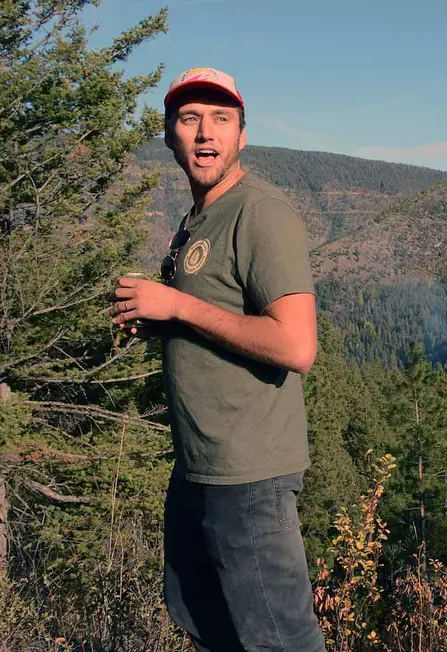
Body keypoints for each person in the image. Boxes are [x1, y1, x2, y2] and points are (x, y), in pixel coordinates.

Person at [108, 67, 326, 652]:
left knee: (279, 639)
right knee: (201, 619)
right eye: (190, 119)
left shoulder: (261, 212)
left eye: (221, 120)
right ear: (169, 135)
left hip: (249, 474)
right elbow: (211, 317)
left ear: (242, 136)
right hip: (197, 467)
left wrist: (178, 304)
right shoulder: (199, 218)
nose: (206, 134)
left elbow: (295, 346)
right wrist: (161, 320)